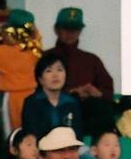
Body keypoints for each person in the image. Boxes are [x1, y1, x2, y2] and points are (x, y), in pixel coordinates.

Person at [47, 7, 114, 135]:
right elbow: (36, 91)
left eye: (75, 29)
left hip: (89, 115)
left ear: (80, 31)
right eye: (66, 28)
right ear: (57, 29)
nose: (70, 33)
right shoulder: (45, 58)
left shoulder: (91, 60)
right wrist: (72, 93)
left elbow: (108, 90)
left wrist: (97, 93)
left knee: (99, 109)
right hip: (57, 114)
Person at [0, 9, 42, 132]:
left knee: (12, 133)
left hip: (11, 98)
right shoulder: (34, 52)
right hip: (32, 95)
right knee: (33, 130)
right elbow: (38, 39)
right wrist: (35, 32)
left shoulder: (2, 52)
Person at [20, 52, 82, 141]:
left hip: (69, 149)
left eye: (60, 70)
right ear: (40, 79)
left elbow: (78, 134)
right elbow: (32, 135)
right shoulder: (32, 102)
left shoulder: (72, 102)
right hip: (42, 151)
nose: (55, 75)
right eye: (48, 71)